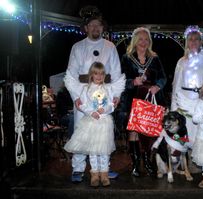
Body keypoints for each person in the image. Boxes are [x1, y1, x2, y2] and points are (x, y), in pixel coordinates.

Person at [63, 6, 122, 182]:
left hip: (105, 95)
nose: (96, 28)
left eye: (99, 25)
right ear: (86, 28)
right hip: (84, 95)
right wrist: (77, 98)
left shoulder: (110, 46)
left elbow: (117, 73)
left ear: (103, 28)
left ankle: (104, 169)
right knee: (82, 132)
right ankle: (78, 168)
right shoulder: (78, 47)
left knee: (103, 133)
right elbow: (71, 74)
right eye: (92, 25)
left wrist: (116, 94)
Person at [64, 62, 125, 187]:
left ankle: (104, 174)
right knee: (93, 150)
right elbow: (82, 105)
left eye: (102, 74)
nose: (99, 76)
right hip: (91, 122)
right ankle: (95, 174)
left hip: (104, 122)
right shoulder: (86, 89)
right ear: (91, 75)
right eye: (96, 73)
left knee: (104, 150)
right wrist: (91, 112)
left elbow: (112, 104)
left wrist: (106, 109)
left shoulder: (108, 88)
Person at [120, 27, 167, 177]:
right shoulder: (126, 58)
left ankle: (148, 162)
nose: (143, 42)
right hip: (133, 99)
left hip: (151, 99)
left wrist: (157, 86)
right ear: (135, 41)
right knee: (134, 131)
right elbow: (120, 80)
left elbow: (163, 77)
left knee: (149, 131)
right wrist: (133, 81)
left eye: (146, 39)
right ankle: (135, 165)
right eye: (140, 39)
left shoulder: (155, 58)